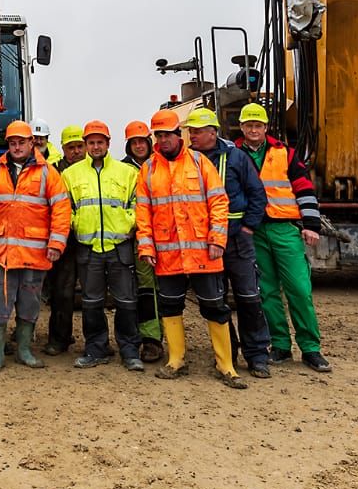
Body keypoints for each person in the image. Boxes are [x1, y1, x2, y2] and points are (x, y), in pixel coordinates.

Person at [135, 109, 245, 389]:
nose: (163, 140)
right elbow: (143, 212)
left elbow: (218, 202)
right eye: (159, 136)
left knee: (215, 307)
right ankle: (176, 361)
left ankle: (226, 366)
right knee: (170, 307)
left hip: (203, 252)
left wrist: (217, 239)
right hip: (167, 253)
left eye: (167, 135)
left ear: (178, 134)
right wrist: (146, 246)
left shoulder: (199, 162)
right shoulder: (148, 169)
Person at [236, 102, 331, 372]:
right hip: (253, 231)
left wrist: (311, 224)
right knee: (266, 292)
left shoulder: (286, 154)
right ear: (241, 127)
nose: (254, 130)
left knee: (299, 289)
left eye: (258, 125)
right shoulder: (233, 155)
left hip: (284, 229)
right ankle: (279, 345)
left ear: (266, 127)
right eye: (249, 125)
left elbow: (304, 189)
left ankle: (310, 348)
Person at [0, 120, 71, 372]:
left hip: (34, 253)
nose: (17, 147)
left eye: (21, 142)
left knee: (29, 304)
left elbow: (61, 209)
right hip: (1, 253)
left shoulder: (48, 173)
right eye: (12, 143)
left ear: (31, 143)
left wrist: (56, 243)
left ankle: (24, 350)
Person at [184, 107, 273, 379]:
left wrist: (247, 228)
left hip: (236, 240)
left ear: (213, 133)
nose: (192, 136)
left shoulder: (236, 158)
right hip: (205, 243)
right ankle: (227, 354)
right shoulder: (188, 161)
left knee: (249, 298)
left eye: (197, 131)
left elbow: (257, 194)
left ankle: (257, 356)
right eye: (190, 131)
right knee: (215, 302)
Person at [61, 120, 143, 371]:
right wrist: (77, 224)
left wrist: (128, 223)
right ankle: (96, 349)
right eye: (91, 142)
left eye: (100, 142)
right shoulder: (70, 175)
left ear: (108, 143)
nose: (96, 146)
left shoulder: (127, 173)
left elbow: (138, 204)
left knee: (126, 301)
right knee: (91, 302)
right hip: (88, 248)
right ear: (86, 145)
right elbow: (65, 208)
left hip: (120, 246)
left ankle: (130, 350)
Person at [42, 124, 86, 356]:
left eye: (80, 146)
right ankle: (59, 339)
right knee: (62, 293)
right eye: (71, 147)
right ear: (63, 148)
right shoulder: (53, 172)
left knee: (94, 294)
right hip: (64, 242)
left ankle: (97, 342)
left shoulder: (94, 170)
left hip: (91, 241)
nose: (76, 151)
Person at [123, 119, 162, 362]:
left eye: (142, 141)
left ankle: (174, 338)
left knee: (169, 288)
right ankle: (151, 339)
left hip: (166, 235)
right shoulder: (122, 170)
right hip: (139, 236)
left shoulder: (162, 164)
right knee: (145, 288)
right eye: (134, 142)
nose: (139, 146)